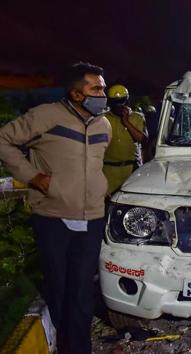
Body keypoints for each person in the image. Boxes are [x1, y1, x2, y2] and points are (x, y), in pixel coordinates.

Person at [0, 62, 111, 354]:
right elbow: (4, 140)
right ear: (76, 94)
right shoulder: (46, 116)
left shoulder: (105, 124)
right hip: (53, 218)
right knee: (59, 289)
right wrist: (32, 176)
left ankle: (80, 349)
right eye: (95, 88)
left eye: (103, 87)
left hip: (93, 218)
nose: (103, 93)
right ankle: (65, 345)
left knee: (83, 291)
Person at [103, 84, 148, 196]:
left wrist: (126, 122)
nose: (118, 105)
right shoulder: (103, 118)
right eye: (115, 102)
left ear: (127, 101)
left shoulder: (137, 117)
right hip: (108, 170)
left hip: (131, 169)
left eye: (121, 101)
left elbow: (142, 139)